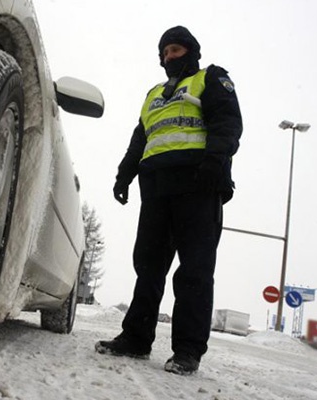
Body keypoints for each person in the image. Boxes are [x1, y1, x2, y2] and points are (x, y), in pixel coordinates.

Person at [95, 26, 242, 375]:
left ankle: (188, 351)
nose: (168, 58)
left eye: (174, 50)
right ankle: (135, 339)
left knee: (194, 270)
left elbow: (228, 124)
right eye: (164, 53)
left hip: (198, 185)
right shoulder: (154, 95)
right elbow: (140, 138)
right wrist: (124, 175)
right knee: (147, 266)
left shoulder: (211, 79)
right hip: (157, 189)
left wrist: (213, 163)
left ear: (191, 51)